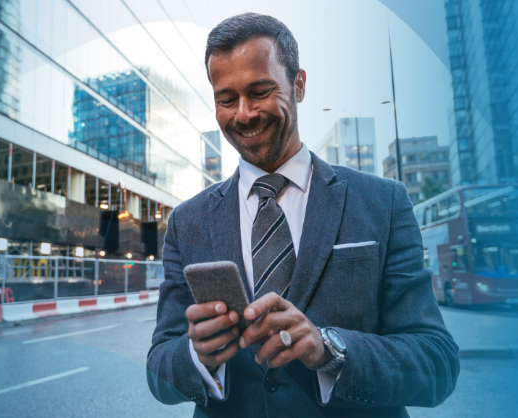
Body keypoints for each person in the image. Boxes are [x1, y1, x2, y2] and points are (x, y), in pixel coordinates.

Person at [146, 13, 460, 418]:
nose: (242, 114)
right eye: (226, 99)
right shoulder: (187, 222)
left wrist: (329, 348)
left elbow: (437, 362)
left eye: (260, 91)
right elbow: (159, 371)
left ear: (299, 84)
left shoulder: (383, 202)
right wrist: (196, 355)